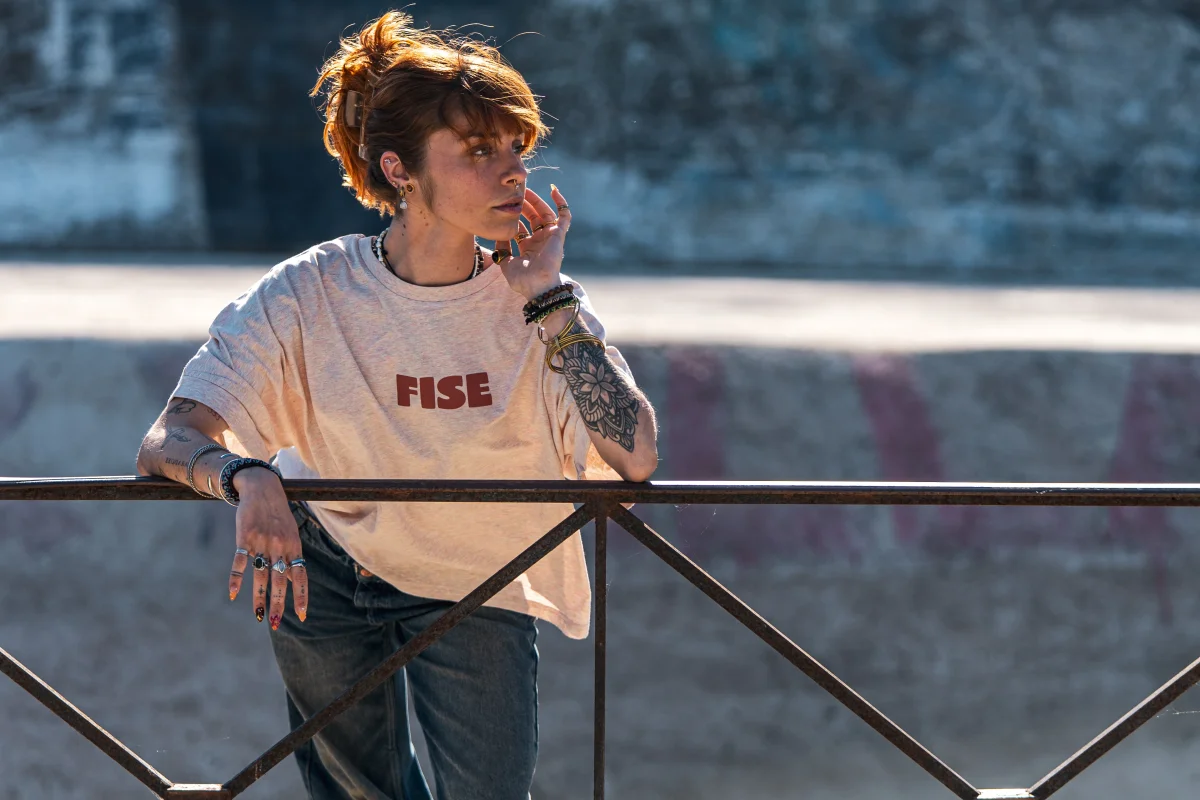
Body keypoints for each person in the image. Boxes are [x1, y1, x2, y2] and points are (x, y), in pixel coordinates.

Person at [134, 11, 659, 799]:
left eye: (516, 148)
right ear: (399, 169)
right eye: (479, 151)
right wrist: (247, 476)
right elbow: (170, 437)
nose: (512, 173)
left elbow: (636, 457)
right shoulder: (311, 290)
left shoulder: (540, 304)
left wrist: (549, 298)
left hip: (480, 577)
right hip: (325, 572)